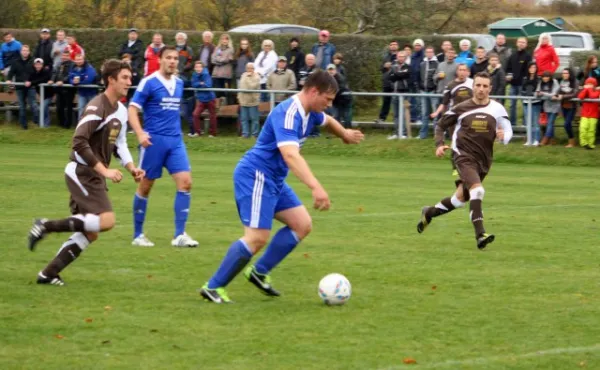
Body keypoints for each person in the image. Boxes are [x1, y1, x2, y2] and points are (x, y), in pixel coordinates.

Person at [198, 71, 364, 303]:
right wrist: (315, 187)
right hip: (255, 175)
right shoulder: (289, 113)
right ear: (313, 91)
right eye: (327, 99)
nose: (329, 105)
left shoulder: (311, 113)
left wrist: (344, 134)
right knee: (257, 237)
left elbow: (328, 122)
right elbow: (290, 155)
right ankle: (213, 287)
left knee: (302, 224)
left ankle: (259, 271)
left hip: (273, 178)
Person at [26, 59, 145, 286]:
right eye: (125, 78)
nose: (130, 82)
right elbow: (78, 141)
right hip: (81, 171)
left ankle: (47, 274)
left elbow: (118, 143)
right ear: (111, 80)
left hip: (92, 174)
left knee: (91, 232)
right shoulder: (96, 107)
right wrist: (104, 170)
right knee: (107, 220)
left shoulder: (120, 110)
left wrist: (132, 168)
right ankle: (46, 225)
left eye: (130, 78)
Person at [416, 72, 512, 250]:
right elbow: (440, 125)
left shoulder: (497, 109)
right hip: (462, 156)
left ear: (490, 88)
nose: (481, 89)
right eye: (478, 85)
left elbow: (508, 130)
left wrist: (503, 137)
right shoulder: (462, 107)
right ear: (473, 87)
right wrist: (439, 144)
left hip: (483, 160)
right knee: (478, 191)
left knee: (460, 199)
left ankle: (428, 212)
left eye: (485, 86)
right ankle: (480, 235)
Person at [128, 46, 199, 248]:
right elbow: (132, 109)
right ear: (160, 59)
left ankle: (179, 235)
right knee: (146, 186)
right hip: (153, 142)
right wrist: (140, 133)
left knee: (185, 182)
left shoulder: (179, 83)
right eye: (168, 57)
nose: (172, 61)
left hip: (175, 141)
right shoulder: (149, 82)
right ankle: (137, 235)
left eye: (175, 58)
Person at [430, 63, 473, 176]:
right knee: (456, 142)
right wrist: (440, 114)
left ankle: (470, 165)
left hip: (469, 118)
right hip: (455, 119)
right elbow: (445, 103)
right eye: (460, 70)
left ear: (468, 72)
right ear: (457, 72)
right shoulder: (450, 85)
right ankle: (455, 167)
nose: (462, 72)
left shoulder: (472, 84)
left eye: (464, 70)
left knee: (469, 142)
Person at [8, 45, 36, 130]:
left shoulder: (33, 61)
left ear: (29, 52)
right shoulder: (15, 62)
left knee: (33, 105)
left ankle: (36, 121)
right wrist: (9, 80)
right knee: (22, 106)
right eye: (23, 50)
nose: (25, 52)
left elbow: (35, 74)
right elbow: (11, 73)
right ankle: (24, 125)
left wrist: (31, 81)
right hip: (19, 87)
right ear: (21, 52)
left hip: (30, 87)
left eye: (27, 50)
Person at [505, 37, 531, 126]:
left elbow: (530, 70)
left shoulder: (528, 56)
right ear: (516, 43)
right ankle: (512, 124)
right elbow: (508, 68)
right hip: (513, 84)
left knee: (525, 104)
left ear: (526, 44)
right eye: (520, 42)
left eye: (523, 42)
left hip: (523, 85)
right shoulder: (512, 55)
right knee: (512, 105)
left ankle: (525, 124)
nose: (521, 44)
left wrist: (525, 80)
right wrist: (508, 75)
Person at [191, 61, 218, 137]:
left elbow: (208, 85)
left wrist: (199, 84)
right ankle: (198, 132)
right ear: (194, 68)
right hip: (201, 99)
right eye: (196, 67)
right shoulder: (194, 75)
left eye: (199, 67)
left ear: (202, 68)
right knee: (195, 114)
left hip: (210, 98)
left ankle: (213, 133)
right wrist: (201, 83)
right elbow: (193, 84)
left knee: (212, 115)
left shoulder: (206, 74)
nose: (198, 69)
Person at [536, 71, 560, 146]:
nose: (545, 78)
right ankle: (552, 140)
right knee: (550, 123)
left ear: (550, 77)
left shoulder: (555, 82)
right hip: (547, 105)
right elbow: (537, 92)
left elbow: (554, 94)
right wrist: (538, 94)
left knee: (550, 123)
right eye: (544, 77)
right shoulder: (541, 83)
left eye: (547, 77)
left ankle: (545, 139)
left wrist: (543, 93)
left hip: (555, 105)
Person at [238, 62, 261, 138]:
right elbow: (240, 87)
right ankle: (245, 134)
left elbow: (251, 87)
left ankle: (254, 134)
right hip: (243, 101)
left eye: (251, 68)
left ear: (254, 69)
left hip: (253, 101)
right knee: (244, 119)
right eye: (248, 68)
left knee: (254, 119)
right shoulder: (243, 75)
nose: (249, 69)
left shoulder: (257, 77)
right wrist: (239, 97)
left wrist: (248, 77)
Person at [521, 62, 541, 147]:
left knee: (535, 122)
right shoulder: (525, 78)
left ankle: (536, 140)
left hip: (535, 103)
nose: (532, 69)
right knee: (528, 122)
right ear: (528, 69)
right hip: (526, 102)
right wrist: (525, 93)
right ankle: (529, 140)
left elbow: (538, 90)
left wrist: (534, 94)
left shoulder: (539, 79)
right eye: (531, 67)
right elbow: (522, 90)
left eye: (534, 67)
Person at [557, 68, 578, 148]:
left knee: (566, 124)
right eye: (563, 73)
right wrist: (556, 95)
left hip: (572, 106)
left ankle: (572, 141)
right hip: (563, 105)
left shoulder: (575, 81)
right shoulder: (562, 82)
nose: (564, 74)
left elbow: (574, 94)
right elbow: (558, 91)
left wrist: (563, 96)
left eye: (566, 73)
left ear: (570, 74)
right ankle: (572, 142)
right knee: (567, 124)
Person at [578, 77, 600, 149]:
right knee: (583, 128)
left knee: (591, 130)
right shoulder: (585, 90)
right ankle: (584, 143)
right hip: (585, 114)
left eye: (591, 84)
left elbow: (593, 96)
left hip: (594, 115)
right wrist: (585, 89)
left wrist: (588, 89)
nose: (589, 85)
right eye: (588, 83)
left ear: (594, 85)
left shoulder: (597, 91)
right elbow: (580, 97)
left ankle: (590, 144)